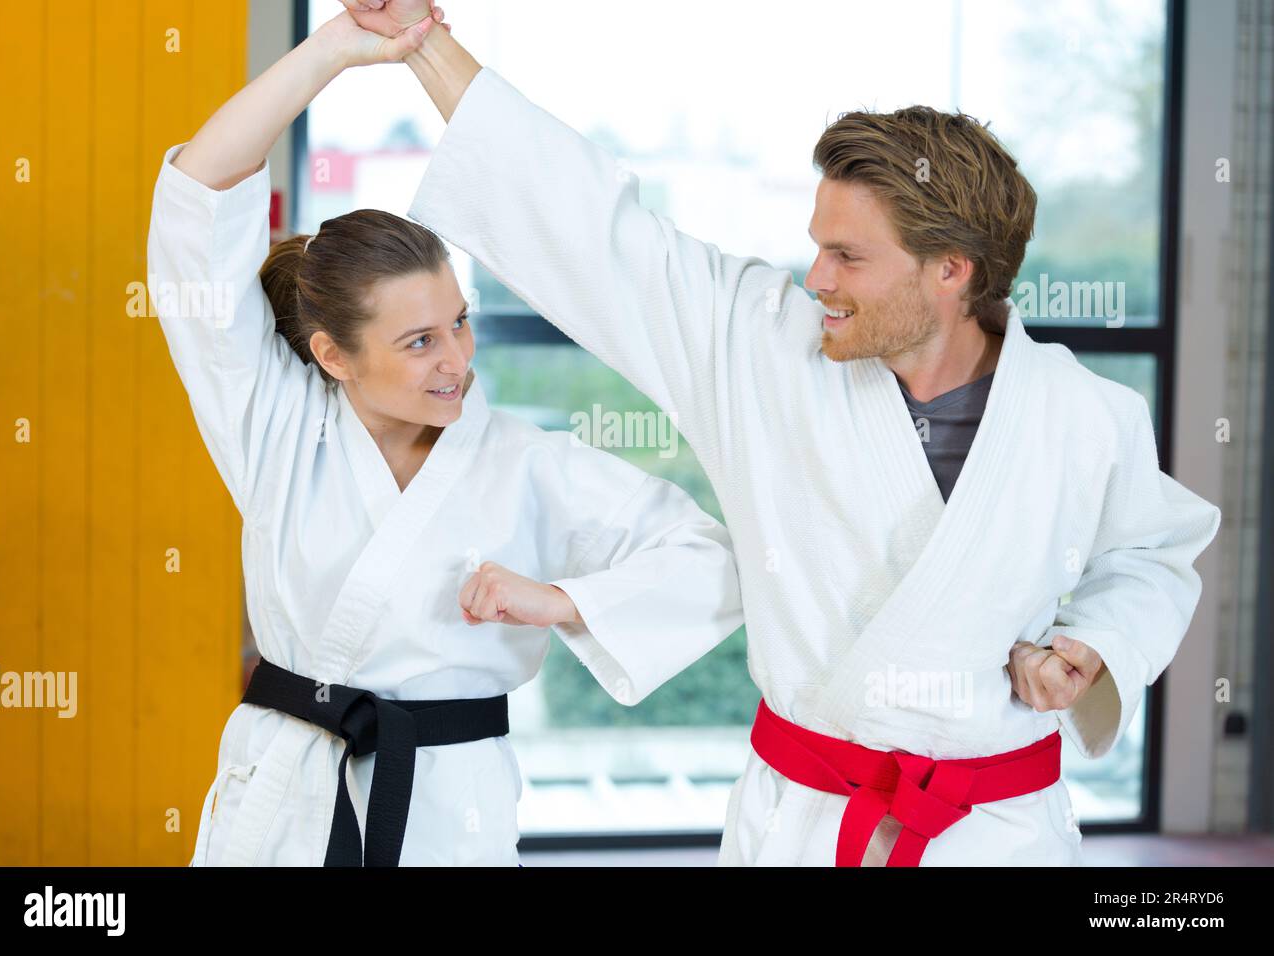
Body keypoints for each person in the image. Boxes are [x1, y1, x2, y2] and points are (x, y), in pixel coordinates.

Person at [347, 0, 1223, 865]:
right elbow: (595, 230)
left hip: (993, 834)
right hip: (803, 823)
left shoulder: (1083, 416)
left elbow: (1150, 558)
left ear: (951, 272)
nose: (816, 278)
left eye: (850, 256)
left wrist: (1090, 647)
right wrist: (423, 42)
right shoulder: (763, 351)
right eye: (817, 245)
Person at [147, 7, 743, 866]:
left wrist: (561, 602)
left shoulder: (525, 465)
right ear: (333, 356)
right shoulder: (273, 427)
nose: (456, 359)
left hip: (446, 810)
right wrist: (333, 49)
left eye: (460, 323)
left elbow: (706, 554)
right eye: (419, 341)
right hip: (278, 799)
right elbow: (195, 204)